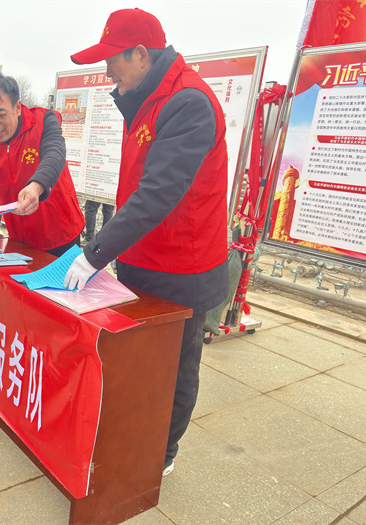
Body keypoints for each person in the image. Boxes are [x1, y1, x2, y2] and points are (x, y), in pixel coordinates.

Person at [66, 8, 229, 476]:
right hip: (142, 258)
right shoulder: (147, 94)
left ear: (141, 54)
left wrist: (93, 252)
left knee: (175, 366)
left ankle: (163, 452)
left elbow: (158, 193)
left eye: (112, 60)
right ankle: (133, 430)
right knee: (138, 357)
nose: (107, 71)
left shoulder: (188, 102)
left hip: (183, 266)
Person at [0, 72, 84, 256]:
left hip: (62, 234)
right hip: (20, 238)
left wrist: (36, 186)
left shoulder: (43, 121)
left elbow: (54, 154)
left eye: (0, 114)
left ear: (18, 108)